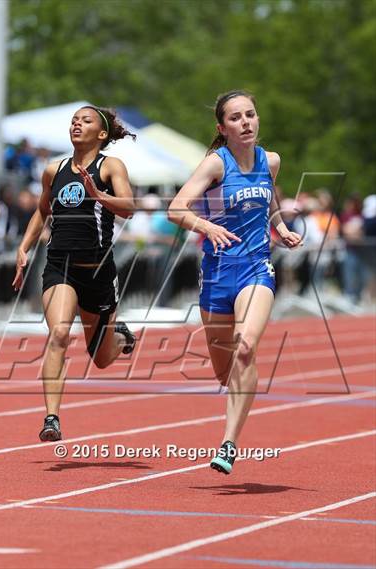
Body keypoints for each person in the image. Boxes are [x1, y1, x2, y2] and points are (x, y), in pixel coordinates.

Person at [168, 90, 302, 475]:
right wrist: (206, 225)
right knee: (225, 372)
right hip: (216, 274)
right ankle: (236, 399)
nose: (246, 122)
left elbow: (269, 200)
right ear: (222, 128)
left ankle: (228, 443)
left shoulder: (270, 161)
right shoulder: (215, 164)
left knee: (246, 349)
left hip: (256, 268)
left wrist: (280, 228)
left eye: (251, 115)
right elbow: (176, 208)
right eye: (236, 117)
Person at [12, 105, 136, 442]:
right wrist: (24, 247)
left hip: (97, 272)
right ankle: (52, 417)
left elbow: (129, 208)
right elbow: (42, 210)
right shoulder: (54, 170)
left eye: (86, 121)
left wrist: (99, 194)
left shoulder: (110, 167)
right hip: (60, 267)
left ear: (102, 134)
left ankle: (123, 337)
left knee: (102, 359)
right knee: (60, 335)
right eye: (73, 121)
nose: (76, 124)